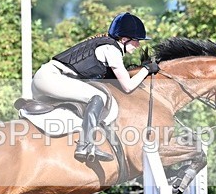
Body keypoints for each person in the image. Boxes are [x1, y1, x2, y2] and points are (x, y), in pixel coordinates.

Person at [31, 12, 160, 163]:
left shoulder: (104, 44)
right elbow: (128, 86)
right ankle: (85, 145)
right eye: (136, 41)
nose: (138, 45)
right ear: (124, 39)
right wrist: (146, 69)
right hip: (52, 78)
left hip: (43, 79)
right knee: (99, 97)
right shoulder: (112, 50)